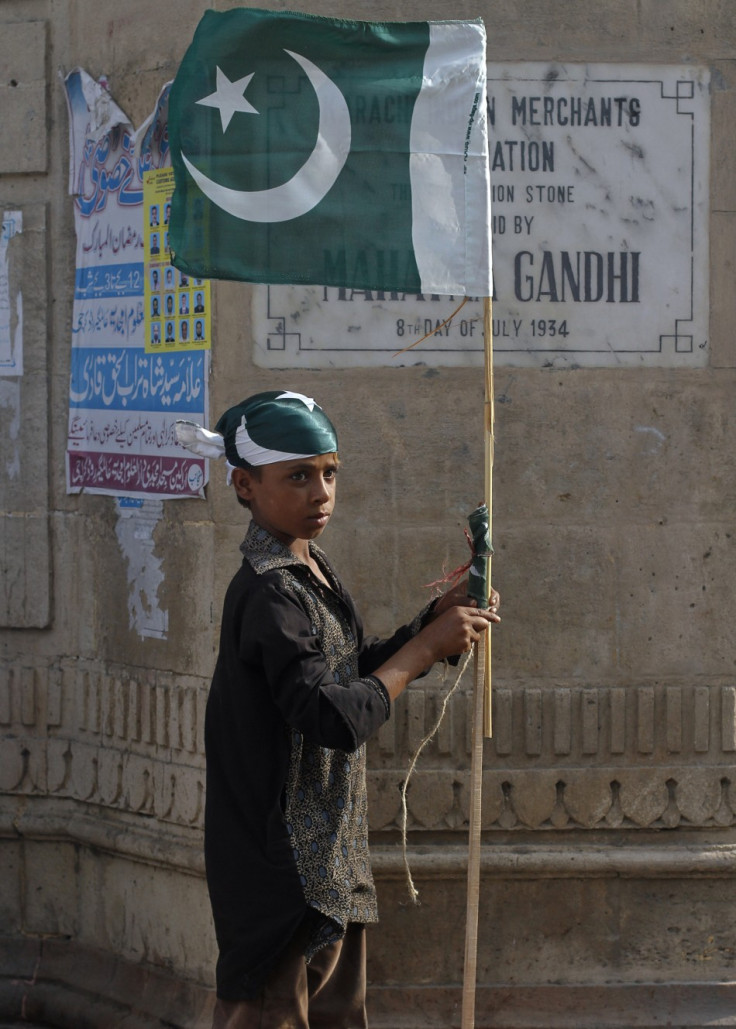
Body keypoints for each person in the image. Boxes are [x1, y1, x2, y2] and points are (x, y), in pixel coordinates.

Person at [175, 391, 500, 1029]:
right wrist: (424, 650)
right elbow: (333, 716)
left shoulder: (307, 566)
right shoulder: (269, 594)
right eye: (298, 476)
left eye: (329, 473)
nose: (320, 492)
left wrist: (429, 626)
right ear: (244, 485)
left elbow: (346, 670)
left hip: (330, 858)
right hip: (281, 870)